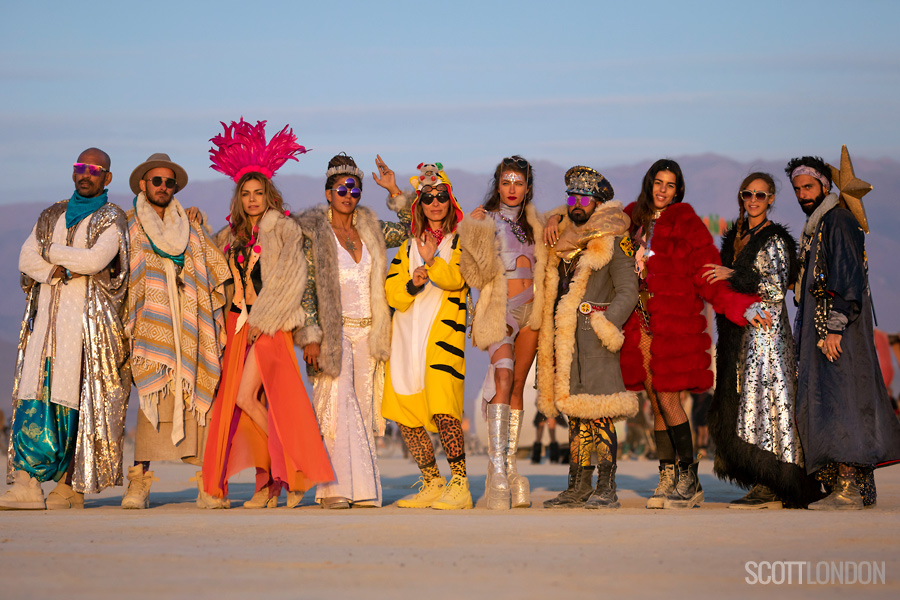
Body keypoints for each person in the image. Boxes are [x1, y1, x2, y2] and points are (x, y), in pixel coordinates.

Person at [619, 159, 769, 509]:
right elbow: (591, 226)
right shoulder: (630, 219)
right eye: (658, 182)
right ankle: (667, 474)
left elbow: (705, 272)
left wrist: (737, 304)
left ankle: (689, 478)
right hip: (639, 321)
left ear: (678, 191)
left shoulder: (686, 222)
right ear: (649, 183)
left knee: (670, 398)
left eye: (670, 185)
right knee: (654, 400)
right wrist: (554, 219)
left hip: (673, 322)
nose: (662, 190)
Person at [202, 119, 334, 508]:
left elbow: (290, 281)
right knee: (244, 403)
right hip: (239, 327)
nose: (253, 200)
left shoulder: (283, 230)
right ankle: (273, 484)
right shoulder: (231, 238)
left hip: (268, 326)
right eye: (246, 194)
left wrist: (263, 322)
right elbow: (208, 266)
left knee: (252, 397)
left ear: (268, 195)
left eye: (259, 193)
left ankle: (294, 470)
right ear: (239, 199)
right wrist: (190, 222)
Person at [1, 148, 130, 510]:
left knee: (79, 403)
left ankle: (69, 487)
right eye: (80, 168)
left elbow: (95, 260)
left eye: (94, 169)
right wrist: (52, 270)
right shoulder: (51, 214)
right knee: (34, 399)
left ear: (107, 178)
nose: (85, 174)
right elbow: (27, 257)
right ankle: (26, 484)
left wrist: (51, 252)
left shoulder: (112, 218)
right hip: (45, 328)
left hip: (88, 332)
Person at [296, 153, 411, 508]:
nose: (349, 194)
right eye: (342, 188)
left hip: (369, 333)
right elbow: (307, 286)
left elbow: (412, 227)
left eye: (355, 189)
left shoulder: (371, 228)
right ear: (328, 192)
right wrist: (312, 335)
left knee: (362, 409)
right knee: (335, 405)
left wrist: (394, 191)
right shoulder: (312, 231)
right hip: (334, 333)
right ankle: (332, 489)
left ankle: (362, 490)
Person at [787, 149, 900, 509]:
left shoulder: (837, 221)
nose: (803, 195)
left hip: (838, 333)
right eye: (798, 189)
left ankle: (849, 488)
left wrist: (834, 327)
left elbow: (848, 277)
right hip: (822, 332)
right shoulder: (818, 226)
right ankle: (846, 487)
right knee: (829, 401)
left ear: (823, 185)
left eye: (808, 187)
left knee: (842, 402)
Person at [122, 153, 231, 509]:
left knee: (198, 401)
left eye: (170, 183)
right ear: (143, 184)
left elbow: (214, 267)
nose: (164, 187)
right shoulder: (127, 225)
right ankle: (138, 483)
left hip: (190, 326)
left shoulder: (190, 225)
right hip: (151, 327)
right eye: (157, 181)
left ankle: (206, 482)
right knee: (151, 399)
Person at [704, 172, 819, 509]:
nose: (753, 200)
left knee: (768, 401)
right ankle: (759, 476)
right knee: (743, 405)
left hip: (766, 334)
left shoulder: (775, 239)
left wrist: (734, 274)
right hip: (737, 333)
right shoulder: (736, 236)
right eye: (747, 194)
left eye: (760, 195)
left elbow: (775, 288)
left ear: (771, 199)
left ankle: (775, 481)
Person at [536, 166, 639, 509]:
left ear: (597, 202)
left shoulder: (612, 237)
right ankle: (578, 487)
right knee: (576, 415)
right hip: (566, 342)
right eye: (571, 197)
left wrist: (606, 324)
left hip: (595, 338)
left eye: (583, 198)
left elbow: (628, 290)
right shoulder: (563, 238)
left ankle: (607, 486)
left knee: (600, 412)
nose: (576, 203)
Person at [458, 155, 546, 509]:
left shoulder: (536, 223)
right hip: (500, 312)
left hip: (532, 313)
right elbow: (473, 274)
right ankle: (495, 474)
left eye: (519, 182)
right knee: (504, 378)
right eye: (506, 182)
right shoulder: (486, 220)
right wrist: (474, 232)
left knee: (518, 387)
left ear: (527, 187)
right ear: (498, 185)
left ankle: (510, 469)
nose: (512, 189)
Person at [382, 163, 472, 510]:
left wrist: (433, 263)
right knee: (404, 410)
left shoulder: (461, 241)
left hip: (441, 336)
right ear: (419, 204)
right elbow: (393, 293)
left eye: (441, 197)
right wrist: (413, 281)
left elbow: (458, 279)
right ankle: (433, 481)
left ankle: (460, 484)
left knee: (444, 405)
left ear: (450, 201)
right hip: (406, 336)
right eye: (428, 198)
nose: (435, 203)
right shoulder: (407, 247)